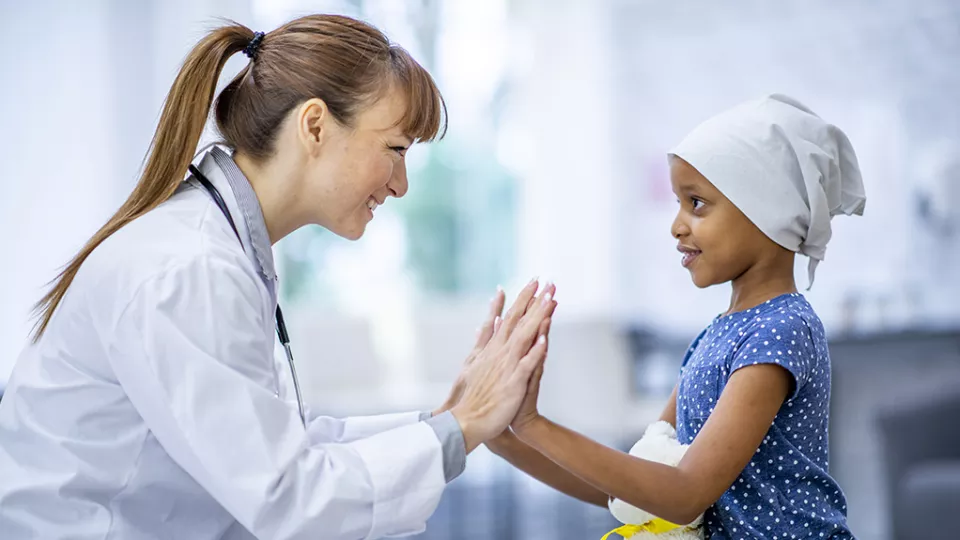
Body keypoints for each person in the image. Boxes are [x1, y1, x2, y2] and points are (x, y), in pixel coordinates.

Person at [0, 15, 558, 540]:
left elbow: (282, 442)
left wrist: (441, 422)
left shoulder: (216, 247)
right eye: (394, 149)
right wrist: (462, 426)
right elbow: (287, 499)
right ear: (314, 125)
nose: (401, 185)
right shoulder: (189, 269)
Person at [484, 94, 866, 539]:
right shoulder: (717, 336)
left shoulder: (780, 329)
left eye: (696, 203)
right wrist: (504, 435)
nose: (677, 225)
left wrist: (534, 425)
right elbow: (637, 488)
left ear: (768, 210)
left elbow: (685, 494)